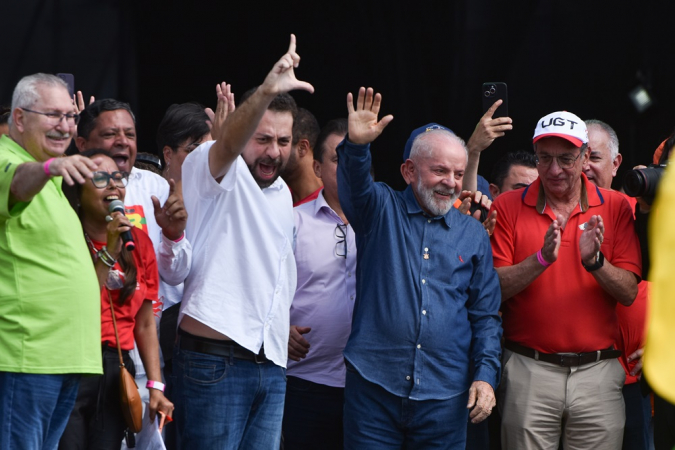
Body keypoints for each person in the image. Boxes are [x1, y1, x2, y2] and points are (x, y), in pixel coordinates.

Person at [337, 87, 502, 449]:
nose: (452, 182)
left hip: (445, 399)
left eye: (458, 173)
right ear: (408, 171)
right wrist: (356, 147)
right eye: (440, 170)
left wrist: (486, 376)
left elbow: (485, 315)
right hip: (374, 392)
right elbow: (353, 186)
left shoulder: (473, 234)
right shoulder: (379, 209)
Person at [174, 34, 314, 448]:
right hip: (214, 362)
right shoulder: (215, 166)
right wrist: (269, 88)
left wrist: (276, 325)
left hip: (270, 366)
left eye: (283, 142)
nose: (273, 151)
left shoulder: (283, 194)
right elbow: (229, 143)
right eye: (263, 138)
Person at [490, 111, 642, 450]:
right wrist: (540, 259)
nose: (554, 170)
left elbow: (629, 292)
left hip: (598, 373)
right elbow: (492, 290)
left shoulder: (616, 206)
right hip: (529, 368)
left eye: (566, 159)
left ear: (586, 156)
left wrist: (596, 262)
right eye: (544, 158)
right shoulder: (508, 205)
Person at [0, 73, 101, 449]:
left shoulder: (53, 174)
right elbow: (16, 182)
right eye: (54, 116)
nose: (65, 126)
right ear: (20, 118)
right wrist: (47, 169)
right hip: (27, 357)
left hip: (65, 355)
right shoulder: (10, 158)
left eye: (70, 117)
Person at [76, 98, 190, 415]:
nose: (123, 141)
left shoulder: (156, 186)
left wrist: (173, 235)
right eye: (111, 134)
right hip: (78, 357)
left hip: (140, 359)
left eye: (130, 134)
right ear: (82, 144)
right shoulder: (67, 209)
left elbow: (176, 275)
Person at [59, 149, 173, 449]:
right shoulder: (65, 237)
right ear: (79, 193)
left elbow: (146, 323)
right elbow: (76, 304)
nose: (113, 186)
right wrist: (108, 251)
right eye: (100, 178)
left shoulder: (138, 241)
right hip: (71, 361)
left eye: (118, 178)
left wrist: (155, 386)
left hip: (116, 365)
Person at [282, 118, 352, 449]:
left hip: (368, 385)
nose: (351, 165)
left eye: (358, 155)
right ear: (318, 167)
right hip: (303, 382)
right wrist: (278, 329)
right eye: (339, 157)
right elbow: (261, 290)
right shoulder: (291, 220)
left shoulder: (385, 221)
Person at [582, 119, 651, 450]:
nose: (584, 167)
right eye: (576, 156)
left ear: (616, 163)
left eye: (593, 157)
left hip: (633, 379)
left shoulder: (641, 213)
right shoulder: (549, 213)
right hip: (572, 374)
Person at [157, 102, 212, 183]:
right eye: (195, 151)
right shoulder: (146, 192)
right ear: (168, 154)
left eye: (210, 152)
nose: (205, 161)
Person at [282, 107, 322, 206]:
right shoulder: (276, 196)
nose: (272, 151)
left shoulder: (333, 207)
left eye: (282, 142)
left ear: (302, 148)